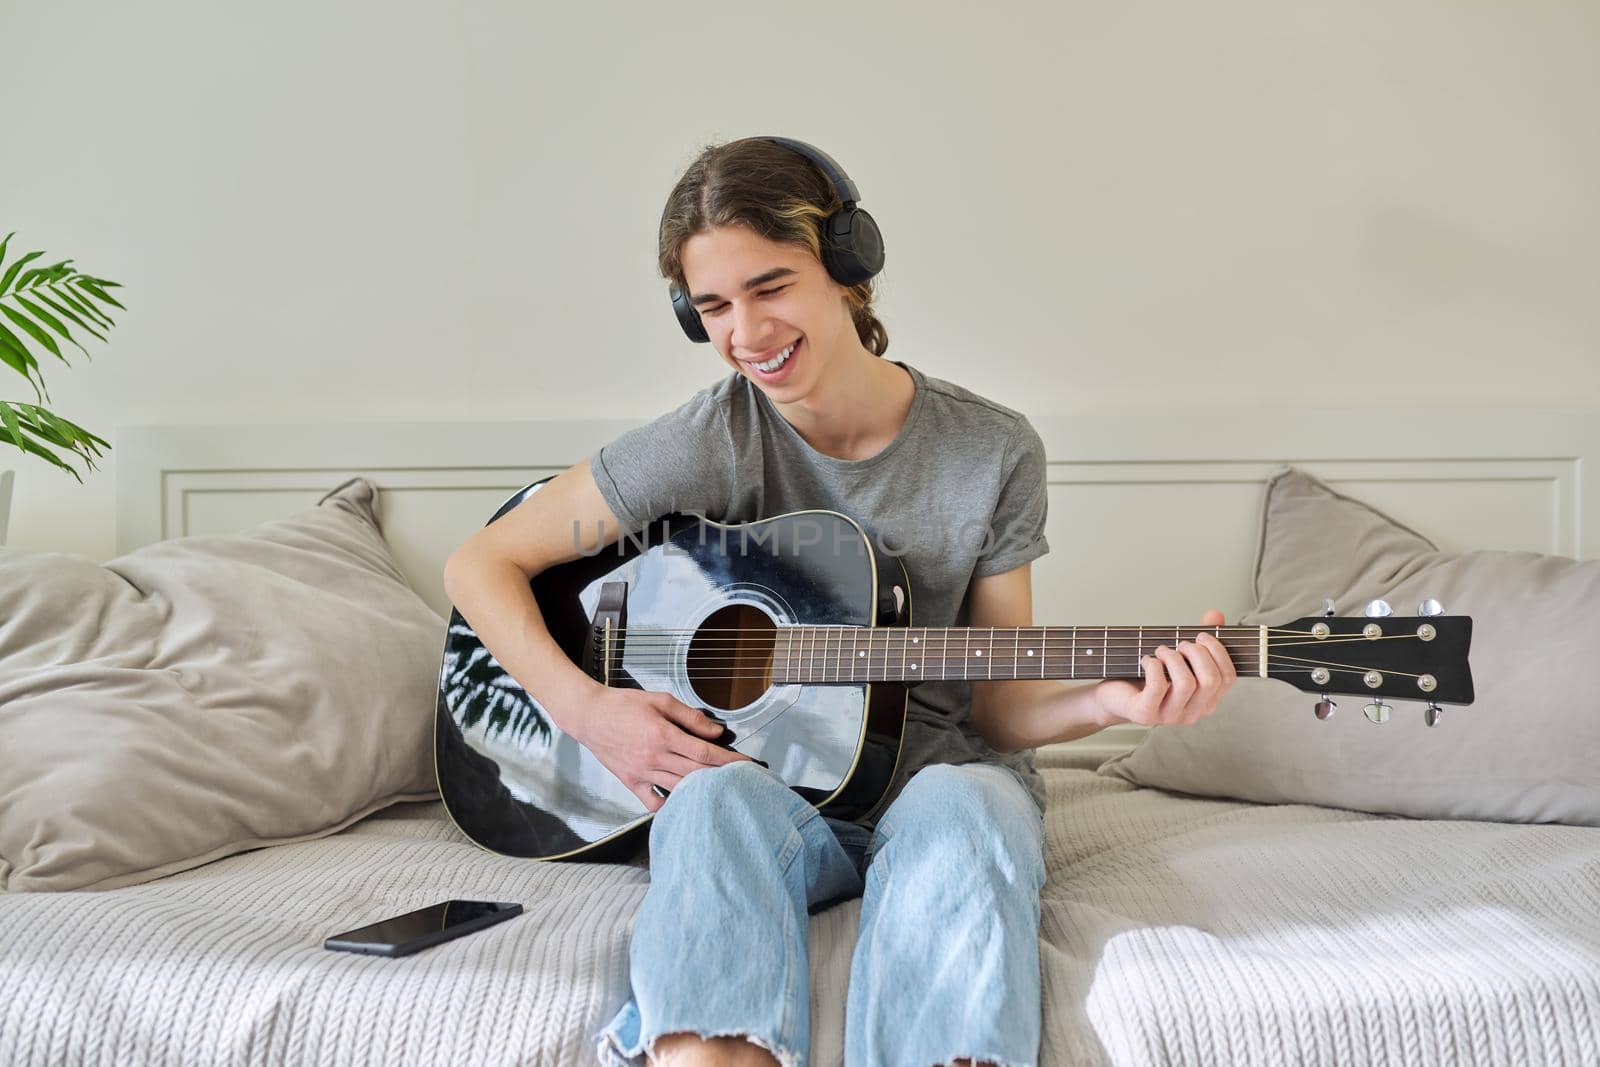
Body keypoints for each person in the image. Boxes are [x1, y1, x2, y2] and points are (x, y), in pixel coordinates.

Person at [442, 136, 1239, 1067]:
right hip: (780, 800)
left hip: (943, 788)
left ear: (849, 269)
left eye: (770, 286)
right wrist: (591, 711)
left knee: (966, 805)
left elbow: (1002, 704)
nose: (745, 332)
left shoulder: (992, 450)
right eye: (713, 306)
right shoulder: (711, 438)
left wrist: (1113, 700)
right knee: (704, 806)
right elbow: (478, 565)